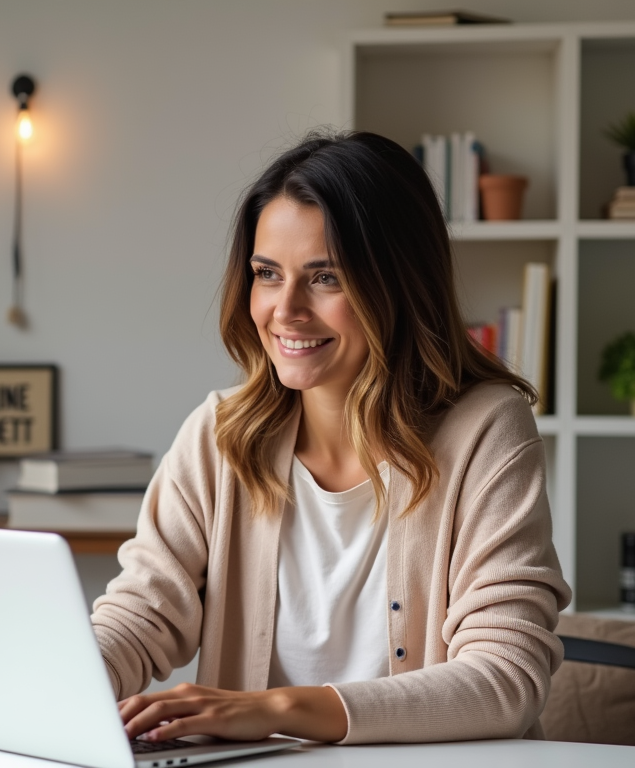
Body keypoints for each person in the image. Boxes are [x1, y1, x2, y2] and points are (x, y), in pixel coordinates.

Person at [91, 130, 571, 745]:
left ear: (398, 284)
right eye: (267, 273)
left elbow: (506, 678)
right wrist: (68, 678)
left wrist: (277, 709)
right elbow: (139, 616)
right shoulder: (219, 436)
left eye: (326, 278)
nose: (285, 309)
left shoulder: (486, 430)